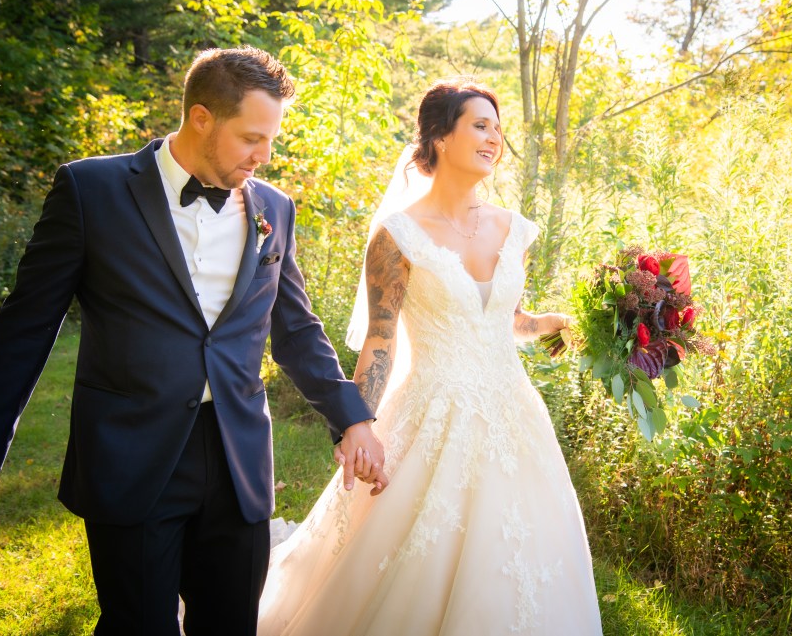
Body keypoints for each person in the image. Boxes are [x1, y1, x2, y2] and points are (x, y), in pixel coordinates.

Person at [0, 46, 388, 636]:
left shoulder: (274, 208)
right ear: (200, 117)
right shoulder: (90, 190)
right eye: (252, 137)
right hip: (131, 454)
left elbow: (298, 329)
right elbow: (26, 327)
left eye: (271, 139)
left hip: (238, 459)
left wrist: (352, 418)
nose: (265, 155)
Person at [256, 77, 602, 635]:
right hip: (433, 412)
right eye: (480, 126)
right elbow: (381, 338)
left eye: (499, 129)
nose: (494, 139)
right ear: (440, 136)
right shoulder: (398, 236)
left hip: (514, 413)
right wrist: (358, 422)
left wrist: (551, 324)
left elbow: (502, 318)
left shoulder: (512, 229)